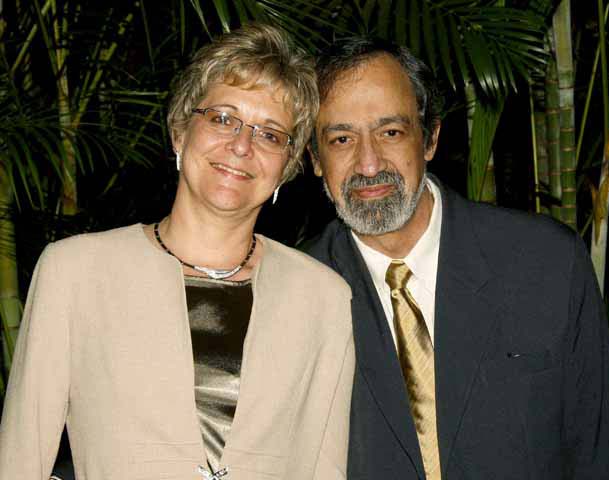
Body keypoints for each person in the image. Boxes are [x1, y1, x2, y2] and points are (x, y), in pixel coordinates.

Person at [0, 24, 354, 480]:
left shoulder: (323, 298)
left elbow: (327, 469)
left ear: (287, 164)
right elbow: (19, 460)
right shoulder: (75, 272)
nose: (241, 145)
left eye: (269, 134)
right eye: (223, 118)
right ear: (180, 131)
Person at [305, 36, 609, 479]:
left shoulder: (546, 263)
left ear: (430, 138)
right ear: (315, 158)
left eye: (390, 132)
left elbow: (597, 454)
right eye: (341, 139)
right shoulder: (294, 296)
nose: (368, 164)